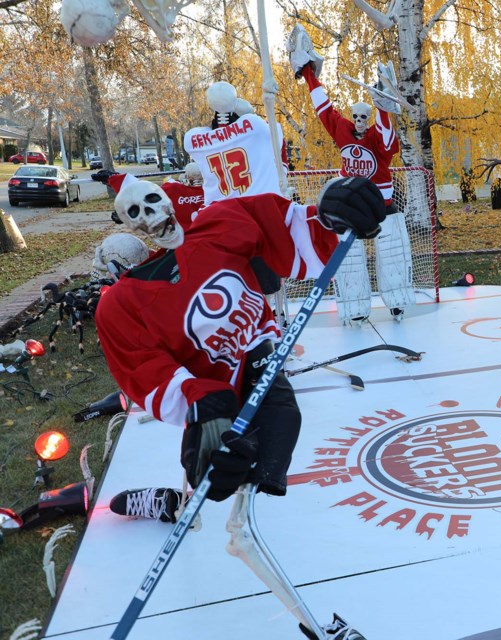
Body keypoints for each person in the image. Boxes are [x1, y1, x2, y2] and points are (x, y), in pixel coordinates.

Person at [96, 176, 383, 639]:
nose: (150, 217)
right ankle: (180, 499)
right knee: (221, 484)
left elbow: (291, 231)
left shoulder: (222, 224)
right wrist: (201, 405)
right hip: (218, 406)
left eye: (152, 202)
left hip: (262, 381)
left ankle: (182, 500)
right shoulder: (121, 304)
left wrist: (332, 216)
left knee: (255, 477)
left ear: (168, 199)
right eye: (135, 214)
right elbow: (146, 370)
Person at [287, 23, 416, 325]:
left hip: (384, 207)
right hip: (352, 208)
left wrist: (383, 108)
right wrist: (308, 75)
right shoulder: (343, 130)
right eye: (355, 116)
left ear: (369, 119)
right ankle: (356, 308)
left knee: (393, 255)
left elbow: (387, 139)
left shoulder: (377, 137)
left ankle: (397, 303)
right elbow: (324, 109)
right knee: (349, 260)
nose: (358, 122)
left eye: (365, 117)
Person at [91, 162, 204, 232]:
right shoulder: (215, 191)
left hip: (178, 244)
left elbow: (144, 191)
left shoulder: (173, 189)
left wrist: (114, 178)